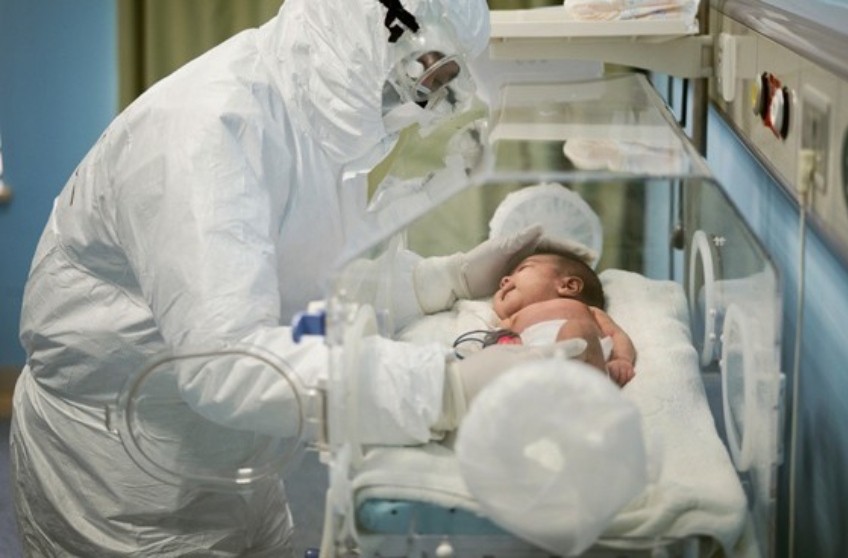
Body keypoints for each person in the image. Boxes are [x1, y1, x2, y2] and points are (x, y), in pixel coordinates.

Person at [10, 1, 572, 555]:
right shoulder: (208, 130)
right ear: (376, 32)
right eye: (428, 74)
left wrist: (442, 280)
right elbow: (226, 365)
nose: (426, 101)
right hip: (124, 475)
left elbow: (308, 282)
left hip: (236, 450)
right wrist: (441, 389)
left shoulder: (321, 118)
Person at [458, 248, 637, 387]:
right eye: (504, 280)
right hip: (531, 366)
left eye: (523, 269)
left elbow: (616, 335)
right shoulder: (512, 320)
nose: (504, 280)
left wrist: (621, 359)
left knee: (578, 330)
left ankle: (580, 394)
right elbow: (494, 343)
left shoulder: (586, 310)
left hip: (581, 364)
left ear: (569, 286)